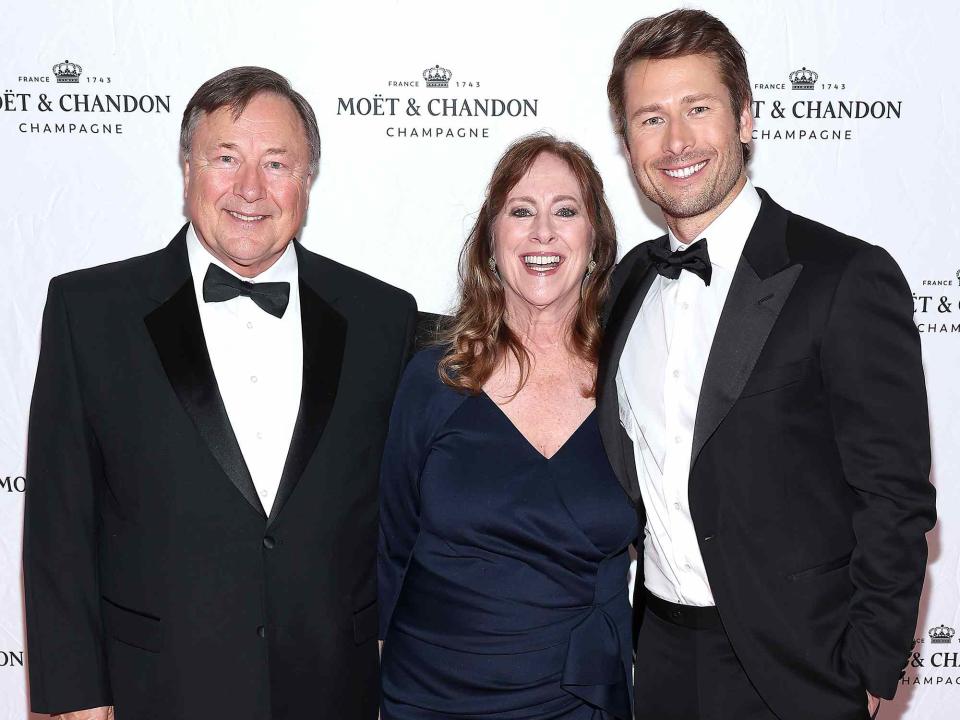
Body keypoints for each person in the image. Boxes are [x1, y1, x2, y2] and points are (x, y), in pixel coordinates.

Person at [23, 66, 417, 720]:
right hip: (156, 692)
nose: (250, 189)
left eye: (278, 163)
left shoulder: (383, 318)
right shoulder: (89, 311)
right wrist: (74, 697)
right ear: (186, 171)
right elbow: (60, 525)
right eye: (225, 159)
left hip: (332, 691)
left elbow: (400, 513)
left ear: (308, 180)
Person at [596, 9, 936, 720]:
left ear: (746, 119)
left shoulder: (843, 276)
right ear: (627, 146)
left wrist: (872, 669)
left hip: (798, 672)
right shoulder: (628, 282)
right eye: (650, 119)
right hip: (658, 655)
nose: (677, 141)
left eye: (698, 109)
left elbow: (896, 498)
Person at [378, 133, 637, 719]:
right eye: (521, 211)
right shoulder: (432, 381)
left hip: (575, 697)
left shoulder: (634, 385)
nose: (542, 232)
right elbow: (390, 548)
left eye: (565, 211)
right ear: (491, 244)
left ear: (594, 242)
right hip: (430, 696)